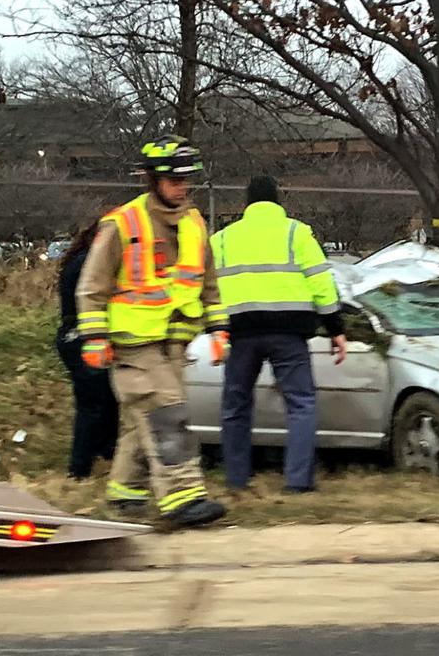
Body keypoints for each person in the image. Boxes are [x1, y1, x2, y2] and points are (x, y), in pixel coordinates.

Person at [75, 135, 230, 527]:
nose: (183, 187)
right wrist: (94, 337)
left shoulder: (194, 222)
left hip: (175, 342)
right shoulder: (123, 223)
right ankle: (180, 497)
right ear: (153, 179)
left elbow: (207, 281)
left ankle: (125, 492)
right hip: (133, 343)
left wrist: (219, 327)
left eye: (187, 180)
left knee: (141, 421)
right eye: (175, 180)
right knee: (166, 414)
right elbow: (92, 286)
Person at [212, 175, 347, 494]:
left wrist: (214, 329)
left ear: (246, 204)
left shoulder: (223, 238)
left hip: (241, 333)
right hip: (288, 333)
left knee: (235, 406)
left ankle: (236, 479)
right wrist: (336, 329)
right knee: (300, 404)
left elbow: (209, 288)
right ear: (277, 201)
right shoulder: (296, 233)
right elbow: (320, 283)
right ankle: (297, 482)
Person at [56, 221, 119, 479]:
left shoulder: (83, 259)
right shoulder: (88, 263)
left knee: (106, 400)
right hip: (82, 339)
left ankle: (106, 454)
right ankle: (78, 469)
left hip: (79, 337)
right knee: (93, 405)